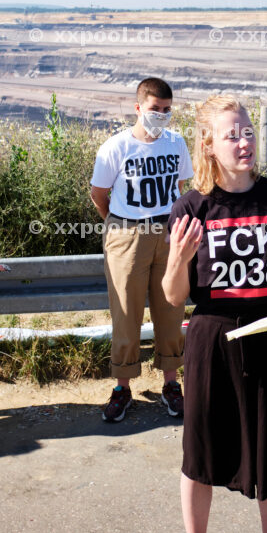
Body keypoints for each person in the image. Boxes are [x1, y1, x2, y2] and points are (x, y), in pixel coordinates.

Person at [163, 96, 267, 533]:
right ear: (209, 144)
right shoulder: (192, 208)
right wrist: (178, 258)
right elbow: (175, 296)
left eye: (248, 132)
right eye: (231, 135)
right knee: (201, 456)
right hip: (211, 341)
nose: (244, 142)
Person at [89, 77, 193, 421]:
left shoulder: (176, 143)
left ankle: (171, 383)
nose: (161, 115)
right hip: (126, 233)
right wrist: (122, 226)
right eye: (154, 109)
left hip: (169, 233)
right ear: (138, 108)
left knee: (171, 310)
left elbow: (179, 186)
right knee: (126, 312)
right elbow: (99, 194)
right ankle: (122, 387)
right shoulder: (116, 147)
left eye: (166, 110)